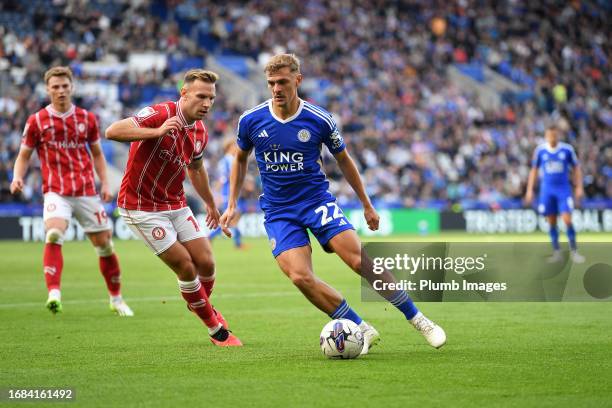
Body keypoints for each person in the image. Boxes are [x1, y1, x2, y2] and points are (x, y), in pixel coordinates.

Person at [220, 54, 445, 353]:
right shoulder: (251, 120)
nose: (276, 88)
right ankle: (360, 327)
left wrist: (367, 204)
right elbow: (239, 159)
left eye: (283, 82)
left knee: (358, 261)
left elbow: (344, 161)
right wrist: (232, 203)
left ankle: (417, 318)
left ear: (297, 80)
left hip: (316, 202)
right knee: (300, 276)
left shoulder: (319, 119)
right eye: (271, 83)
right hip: (279, 211)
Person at [105, 69, 241, 347]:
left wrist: (211, 204)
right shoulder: (159, 113)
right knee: (186, 267)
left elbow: (197, 168)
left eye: (211, 98)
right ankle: (216, 329)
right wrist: (156, 131)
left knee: (207, 261)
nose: (207, 103)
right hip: (140, 206)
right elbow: (112, 131)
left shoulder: (200, 131)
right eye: (201, 96)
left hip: (175, 203)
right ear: (184, 93)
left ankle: (199, 303)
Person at [10, 66, 133, 316]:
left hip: (86, 191)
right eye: (55, 87)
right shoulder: (36, 121)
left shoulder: (87, 119)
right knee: (54, 232)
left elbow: (98, 155)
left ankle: (116, 299)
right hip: (56, 190)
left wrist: (106, 183)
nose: (61, 91)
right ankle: (54, 293)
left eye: (65, 86)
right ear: (48, 90)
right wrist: (17, 177)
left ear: (72, 87)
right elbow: (24, 155)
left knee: (105, 246)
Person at [525, 125, 585, 263]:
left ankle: (574, 252)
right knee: (551, 222)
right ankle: (557, 252)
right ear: (546, 136)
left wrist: (579, 187)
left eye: (554, 135)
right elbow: (533, 171)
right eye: (550, 135)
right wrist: (529, 190)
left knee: (567, 220)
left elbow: (577, 169)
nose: (552, 138)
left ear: (558, 135)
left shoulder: (567, 150)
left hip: (563, 189)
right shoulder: (540, 151)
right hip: (547, 190)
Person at [208, 138, 246, 248]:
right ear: (229, 147)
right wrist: (217, 194)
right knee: (230, 218)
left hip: (230, 193)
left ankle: (237, 243)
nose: (237, 148)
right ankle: (210, 237)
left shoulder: (225, 160)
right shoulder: (229, 160)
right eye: (235, 146)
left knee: (233, 219)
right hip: (228, 194)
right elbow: (224, 179)